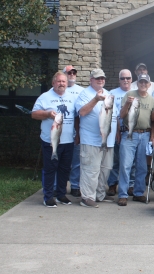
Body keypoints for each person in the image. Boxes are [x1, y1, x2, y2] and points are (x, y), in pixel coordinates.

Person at [32, 72, 76, 207]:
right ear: (53, 83)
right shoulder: (45, 97)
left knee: (64, 169)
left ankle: (61, 194)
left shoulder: (73, 97)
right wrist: (47, 114)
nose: (61, 84)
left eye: (63, 81)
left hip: (68, 141)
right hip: (50, 141)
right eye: (58, 81)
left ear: (67, 83)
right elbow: (34, 114)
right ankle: (48, 197)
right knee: (50, 168)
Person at [75, 69, 118, 207]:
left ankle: (99, 195)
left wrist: (117, 132)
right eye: (97, 78)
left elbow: (114, 116)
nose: (100, 80)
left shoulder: (108, 94)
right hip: (91, 140)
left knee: (106, 169)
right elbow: (82, 112)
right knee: (91, 169)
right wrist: (95, 99)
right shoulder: (85, 94)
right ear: (91, 80)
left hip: (107, 141)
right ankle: (87, 197)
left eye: (102, 78)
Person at [117, 74, 154, 206]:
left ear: (149, 84)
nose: (143, 84)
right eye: (141, 82)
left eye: (145, 82)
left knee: (142, 167)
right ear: (137, 83)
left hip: (145, 135)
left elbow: (153, 121)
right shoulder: (129, 95)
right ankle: (123, 194)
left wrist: (153, 136)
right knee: (125, 165)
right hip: (130, 134)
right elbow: (121, 115)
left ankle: (138, 193)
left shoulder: (152, 100)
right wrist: (128, 103)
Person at [107, 69, 135, 197]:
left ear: (131, 79)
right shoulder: (112, 93)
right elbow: (111, 114)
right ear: (119, 80)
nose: (125, 80)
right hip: (116, 132)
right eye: (123, 78)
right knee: (115, 160)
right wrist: (117, 130)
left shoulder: (136, 92)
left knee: (131, 161)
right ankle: (112, 184)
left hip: (132, 132)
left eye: (128, 78)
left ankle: (131, 185)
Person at [62, 65, 83, 197]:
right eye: (69, 72)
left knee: (76, 160)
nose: (72, 74)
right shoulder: (58, 90)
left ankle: (75, 186)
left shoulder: (82, 91)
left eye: (74, 72)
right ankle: (60, 185)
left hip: (77, 130)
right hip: (61, 131)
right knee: (61, 161)